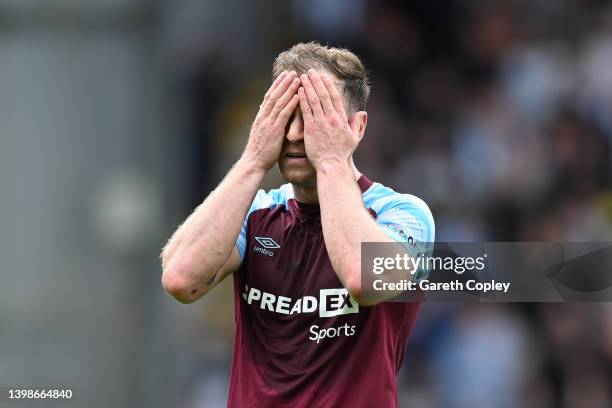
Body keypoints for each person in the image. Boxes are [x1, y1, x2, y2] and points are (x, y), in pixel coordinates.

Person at [161, 42, 435, 407]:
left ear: (356, 127)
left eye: (316, 116)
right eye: (285, 115)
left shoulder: (404, 216)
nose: (293, 134)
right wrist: (253, 161)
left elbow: (361, 278)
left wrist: (332, 163)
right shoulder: (256, 212)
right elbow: (181, 279)